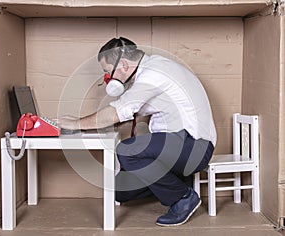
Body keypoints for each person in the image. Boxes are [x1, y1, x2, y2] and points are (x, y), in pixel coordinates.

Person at [59, 37, 217, 226]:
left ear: (124, 65)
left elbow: (117, 113)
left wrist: (75, 123)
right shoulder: (149, 73)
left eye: (108, 72)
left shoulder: (154, 74)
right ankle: (180, 182)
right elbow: (129, 111)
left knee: (127, 151)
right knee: (120, 190)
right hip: (181, 146)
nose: (107, 79)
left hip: (193, 146)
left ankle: (183, 198)